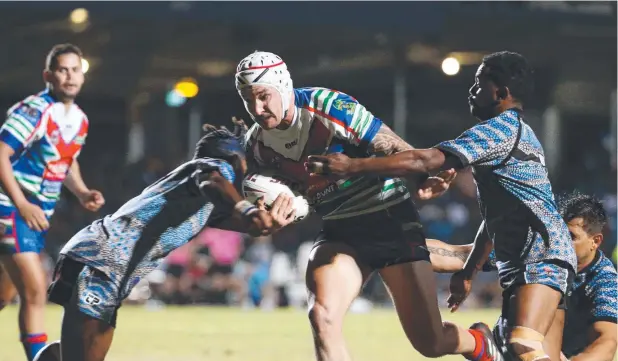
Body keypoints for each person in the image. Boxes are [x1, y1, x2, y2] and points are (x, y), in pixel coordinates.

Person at [307, 51, 578, 361]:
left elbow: (425, 159)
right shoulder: (520, 133)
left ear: (502, 94)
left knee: (524, 347)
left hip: (539, 253)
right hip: (530, 254)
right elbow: (498, 216)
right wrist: (470, 269)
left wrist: (352, 167)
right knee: (538, 354)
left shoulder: (498, 130)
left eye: (479, 84)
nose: (471, 90)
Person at [235, 50, 500, 361]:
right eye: (247, 99)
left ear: (282, 85)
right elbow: (292, 202)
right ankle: (481, 254)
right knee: (322, 316)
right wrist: (275, 219)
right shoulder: (257, 147)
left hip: (388, 217)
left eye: (263, 96)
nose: (257, 107)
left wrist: (423, 175)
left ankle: (482, 339)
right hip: (340, 232)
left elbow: (389, 143)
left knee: (432, 344)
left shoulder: (328, 106)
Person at [45, 122, 296, 361]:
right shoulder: (213, 167)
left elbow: (246, 224)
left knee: (74, 352)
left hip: (102, 260)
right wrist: (246, 209)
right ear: (234, 158)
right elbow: (212, 181)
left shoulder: (203, 201)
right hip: (102, 260)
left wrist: (268, 221)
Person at [0, 43, 105, 360]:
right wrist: (21, 204)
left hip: (36, 215)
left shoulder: (79, 120)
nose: (70, 76)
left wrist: (82, 191)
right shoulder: (34, 111)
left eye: (76, 69)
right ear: (48, 75)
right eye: (62, 70)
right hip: (10, 209)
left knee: (4, 293)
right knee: (35, 290)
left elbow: (66, 160)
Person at [427, 191, 618, 361]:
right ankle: (486, 347)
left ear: (595, 241)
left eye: (571, 236)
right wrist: (404, 249)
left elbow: (607, 341)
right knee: (441, 339)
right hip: (510, 346)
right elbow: (459, 255)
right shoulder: (538, 247)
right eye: (559, 234)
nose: (562, 244)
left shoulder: (604, 280)